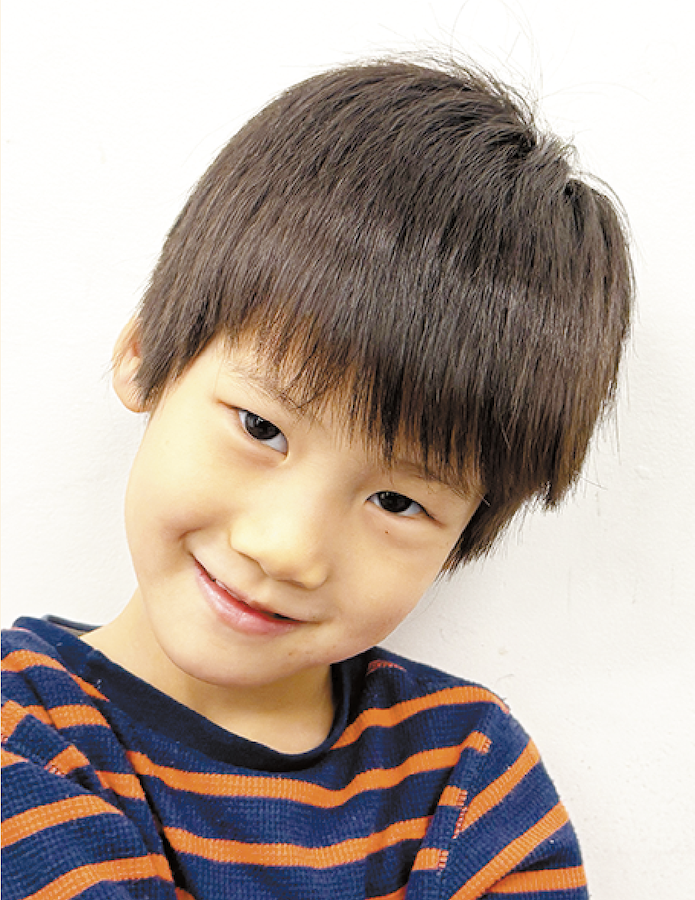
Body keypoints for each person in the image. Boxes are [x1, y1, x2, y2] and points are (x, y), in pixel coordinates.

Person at [1, 58, 632, 899]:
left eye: (397, 501)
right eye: (261, 427)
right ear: (145, 357)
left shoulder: (470, 776)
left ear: (466, 534)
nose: (286, 549)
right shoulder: (23, 732)